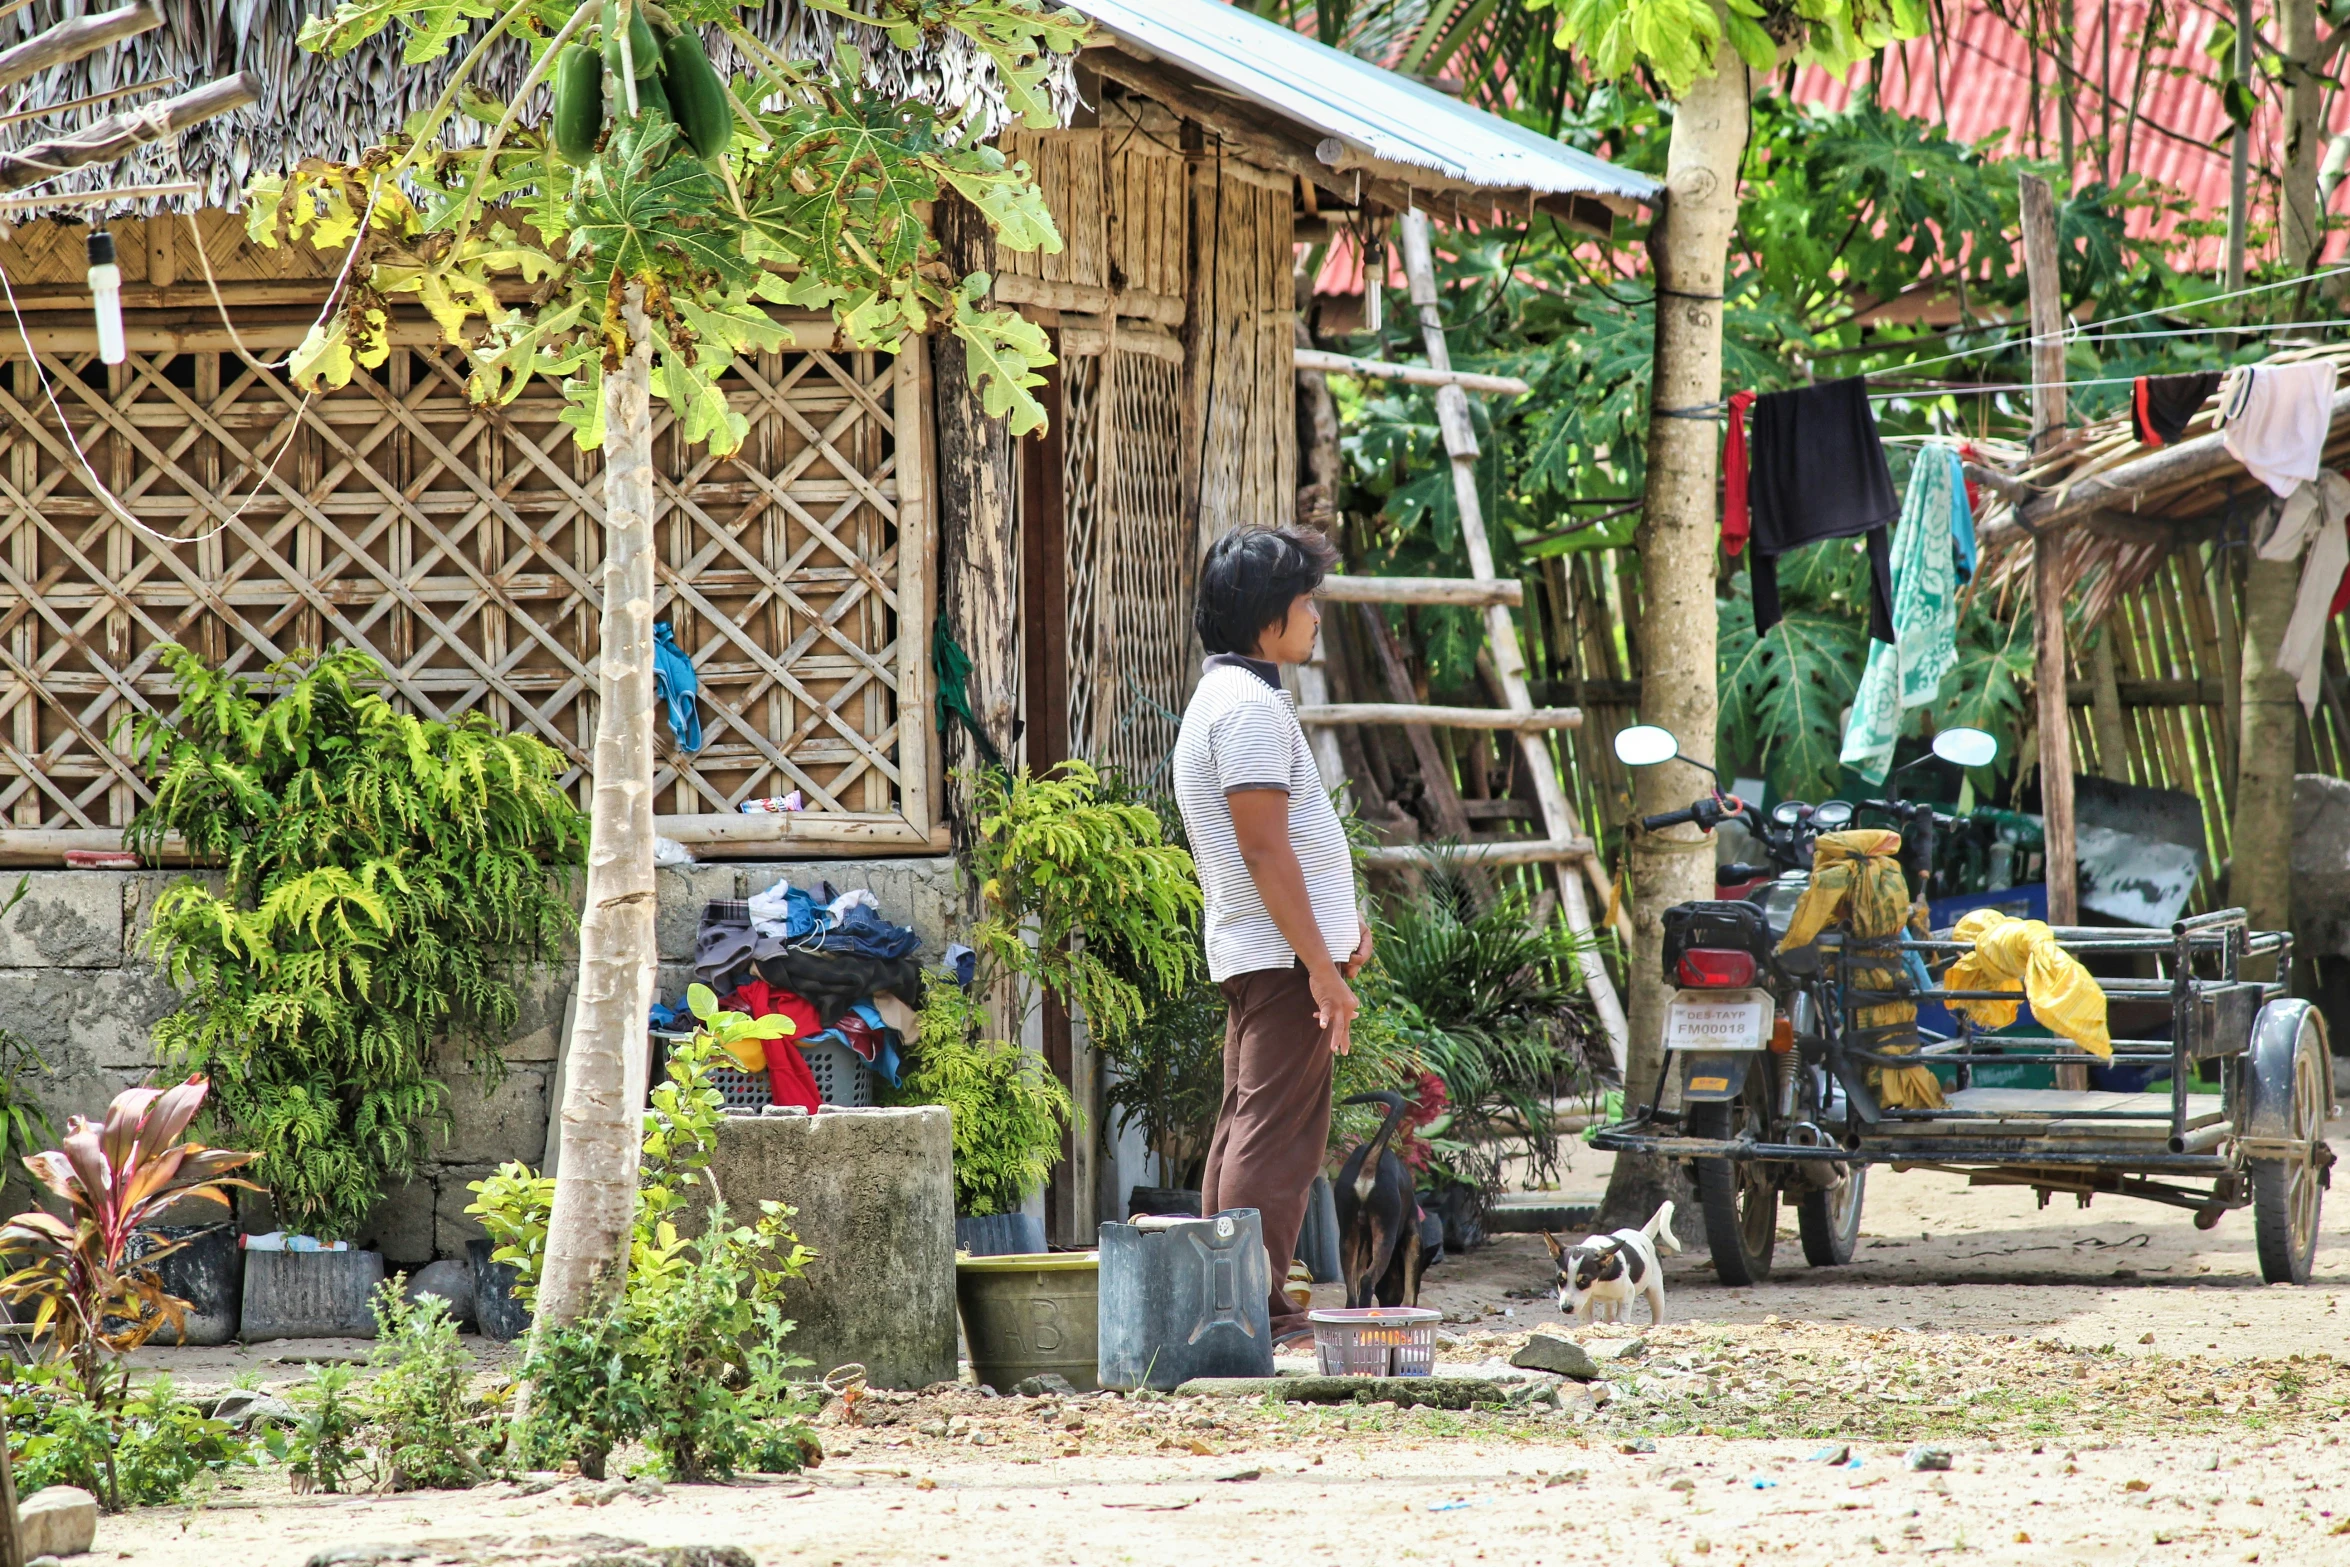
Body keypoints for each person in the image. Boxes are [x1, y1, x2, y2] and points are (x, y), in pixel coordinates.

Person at [1171, 525, 1370, 1345]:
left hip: (1272, 952)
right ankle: (1252, 1310)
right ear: (1266, 620)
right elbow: (1262, 847)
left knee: (1251, 1125)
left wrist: (1336, 925)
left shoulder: (1232, 698)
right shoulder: (1247, 708)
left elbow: (1285, 846)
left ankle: (1232, 1304)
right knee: (1276, 1138)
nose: (1315, 615)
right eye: (1303, 601)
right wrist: (1320, 966)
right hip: (1281, 960)